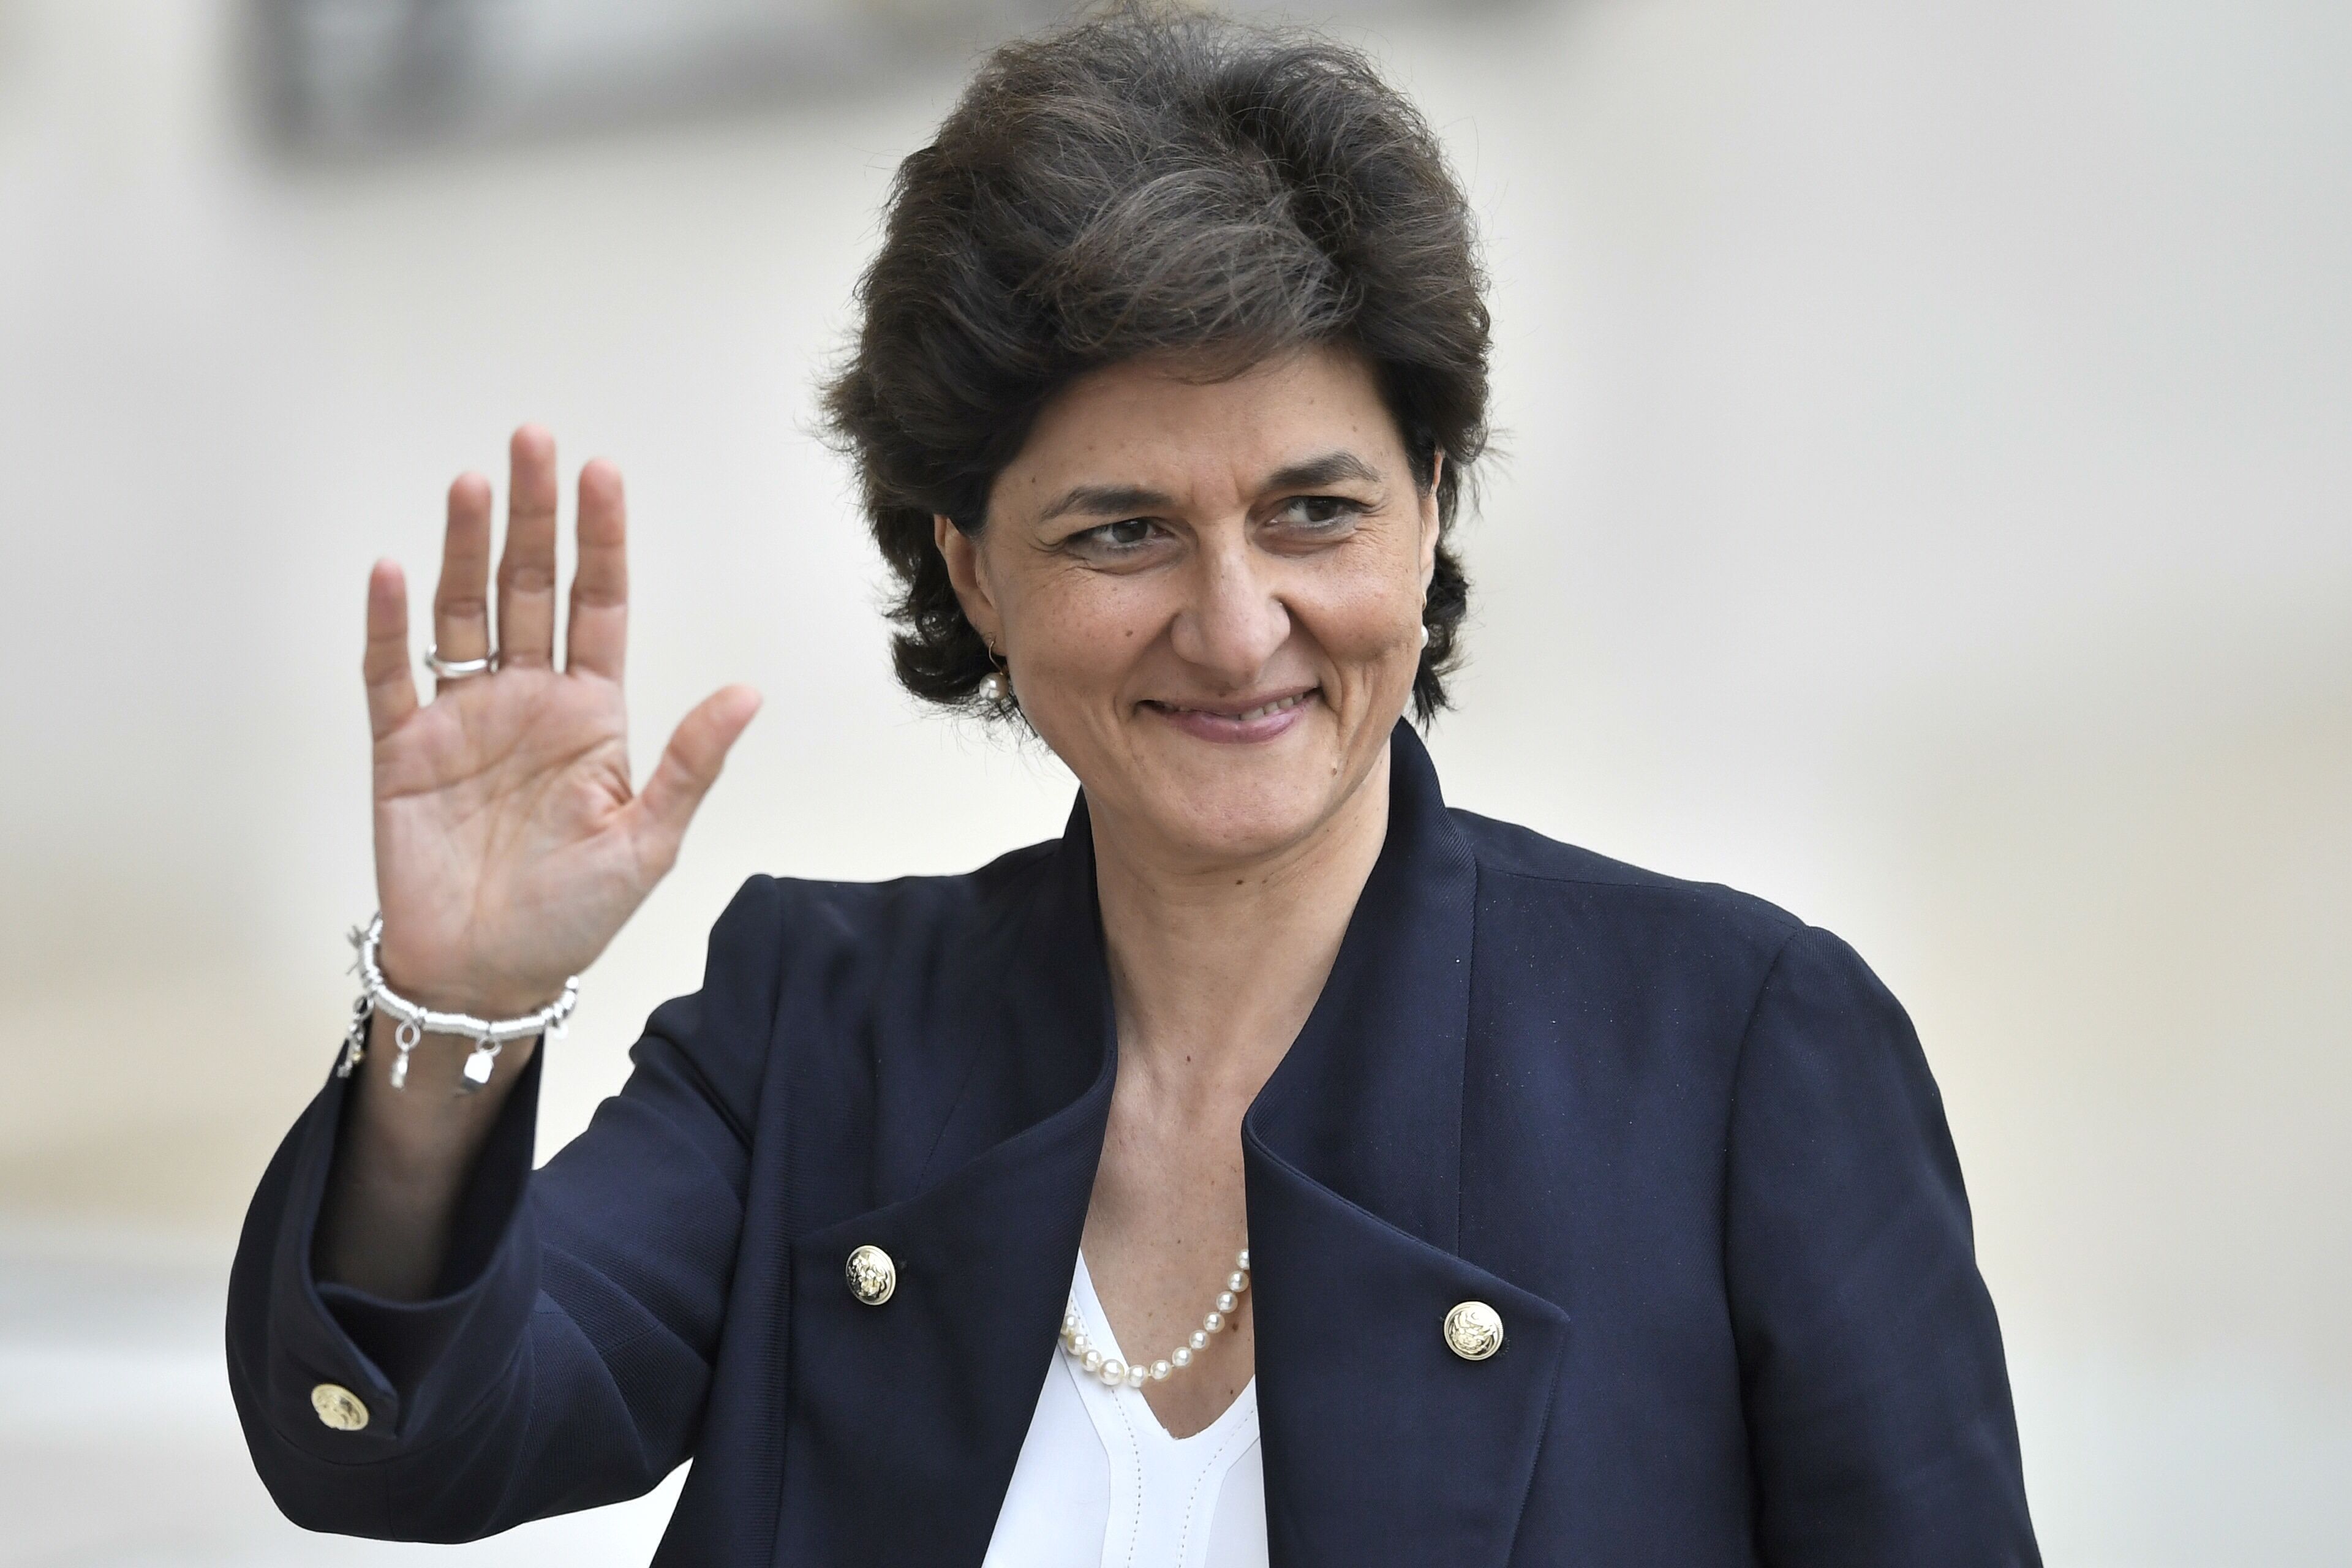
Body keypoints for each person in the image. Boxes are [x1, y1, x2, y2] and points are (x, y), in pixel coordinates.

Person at [226, 9, 2041, 1565]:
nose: (1236, 626)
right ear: (975, 574)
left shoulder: (1737, 1053)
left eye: (1315, 511)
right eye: (1124, 533)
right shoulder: (820, 1034)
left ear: (1431, 513)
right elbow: (407, 1440)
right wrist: (450, 1013)